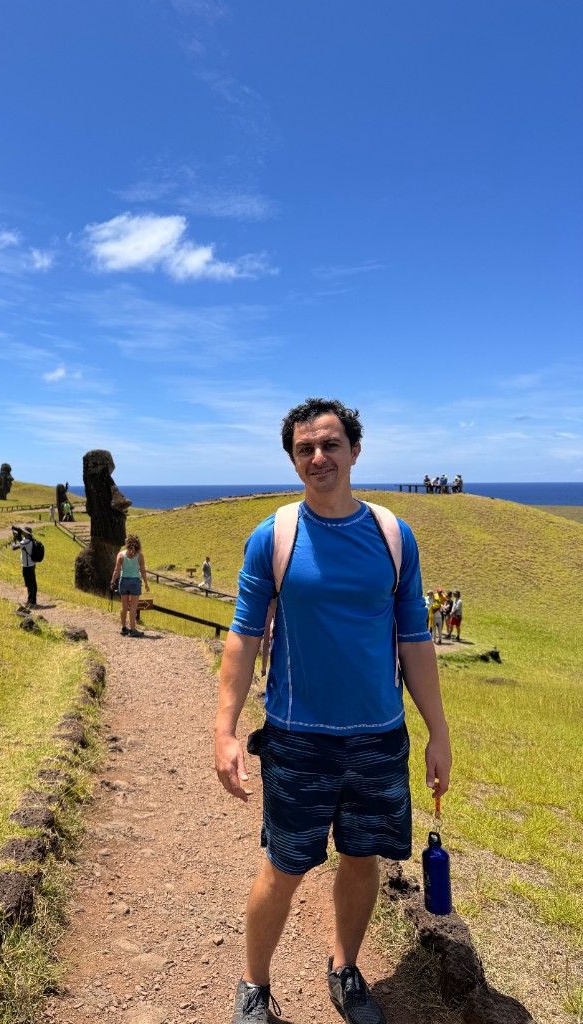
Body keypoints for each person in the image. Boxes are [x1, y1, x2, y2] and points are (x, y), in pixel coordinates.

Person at [214, 397, 451, 1024]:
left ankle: (345, 969)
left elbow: (414, 640)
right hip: (298, 737)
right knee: (283, 866)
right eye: (304, 449)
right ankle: (253, 985)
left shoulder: (392, 536)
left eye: (329, 445)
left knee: (361, 858)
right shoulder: (274, 536)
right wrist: (224, 730)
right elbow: (241, 636)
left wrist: (438, 732)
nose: (318, 457)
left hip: (380, 736)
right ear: (294, 460)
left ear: (354, 449)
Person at [111, 534, 150, 638]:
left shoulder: (121, 555)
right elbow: (142, 571)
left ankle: (124, 628)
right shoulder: (140, 556)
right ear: (138, 544)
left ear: (127, 544)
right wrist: (146, 583)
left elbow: (117, 570)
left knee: (123, 607)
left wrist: (112, 581)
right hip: (135, 582)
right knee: (133, 607)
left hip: (123, 581)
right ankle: (133, 629)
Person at [12, 526, 38, 607]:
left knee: (29, 583)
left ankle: (30, 602)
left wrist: (14, 539)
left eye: (23, 531)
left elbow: (14, 547)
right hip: (32, 564)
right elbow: (22, 542)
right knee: (33, 582)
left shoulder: (26, 541)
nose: (22, 532)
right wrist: (18, 536)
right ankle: (33, 600)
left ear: (27, 533)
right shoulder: (31, 539)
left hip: (27, 565)